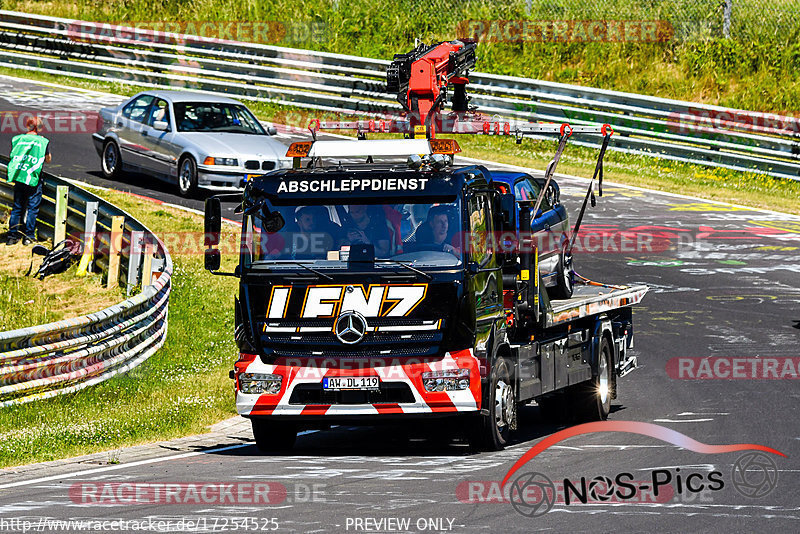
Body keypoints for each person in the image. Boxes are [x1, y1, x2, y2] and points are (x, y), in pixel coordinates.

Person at [6, 117, 51, 246]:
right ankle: (28, 237)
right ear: (39, 128)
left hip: (19, 175)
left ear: (27, 126)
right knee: (32, 208)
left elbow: (13, 155)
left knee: (17, 207)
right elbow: (48, 159)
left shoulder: (18, 139)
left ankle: (12, 237)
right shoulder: (43, 142)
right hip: (33, 178)